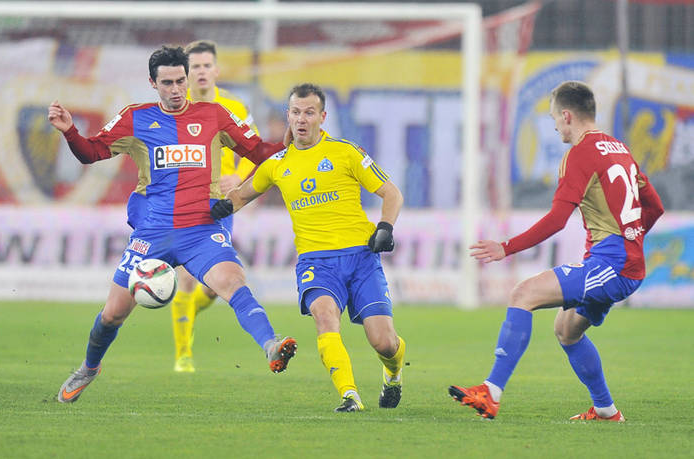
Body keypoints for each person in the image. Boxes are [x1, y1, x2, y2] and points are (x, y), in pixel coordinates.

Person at [49, 45, 297, 404]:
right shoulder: (135, 118)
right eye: (168, 83)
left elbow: (259, 152)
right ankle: (89, 367)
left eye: (181, 80)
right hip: (153, 233)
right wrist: (70, 131)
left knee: (233, 282)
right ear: (153, 83)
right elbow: (91, 153)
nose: (177, 89)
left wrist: (291, 141)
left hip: (202, 230)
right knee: (113, 314)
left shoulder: (214, 115)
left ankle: (271, 345)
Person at [448, 81, 664, 421]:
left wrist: (506, 247)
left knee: (523, 294)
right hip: (620, 260)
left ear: (567, 116)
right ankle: (606, 410)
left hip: (614, 263)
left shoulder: (580, 154)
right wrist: (631, 241)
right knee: (567, 330)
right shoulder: (619, 149)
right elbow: (655, 207)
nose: (554, 126)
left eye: (553, 119)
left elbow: (557, 220)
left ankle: (491, 391)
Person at [213, 83, 406, 412]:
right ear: (288, 116)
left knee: (384, 342)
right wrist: (215, 209)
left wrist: (385, 227)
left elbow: (392, 193)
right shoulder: (277, 164)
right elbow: (241, 196)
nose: (302, 119)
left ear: (322, 117)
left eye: (309, 113)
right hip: (316, 262)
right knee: (325, 316)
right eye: (296, 112)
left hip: (361, 258)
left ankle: (393, 373)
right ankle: (350, 395)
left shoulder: (346, 152)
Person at [169, 40, 260, 373]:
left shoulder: (234, 106)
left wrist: (237, 176)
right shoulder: (174, 107)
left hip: (221, 205)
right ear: (185, 73)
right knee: (186, 277)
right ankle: (183, 355)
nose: (202, 71)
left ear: (217, 70)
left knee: (212, 287)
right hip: (185, 202)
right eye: (195, 66)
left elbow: (256, 151)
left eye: (207, 65)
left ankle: (187, 313)